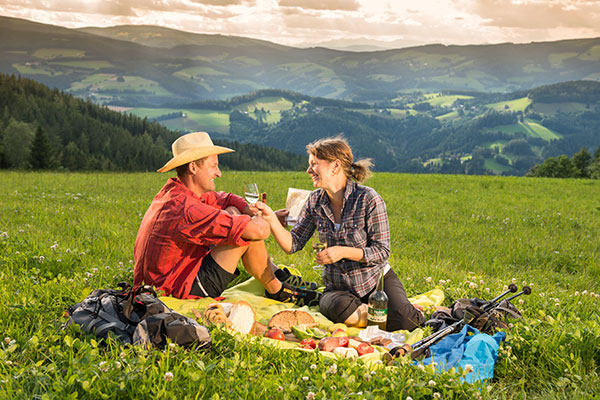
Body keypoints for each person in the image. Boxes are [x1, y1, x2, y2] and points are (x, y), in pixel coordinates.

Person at [256, 136, 425, 331]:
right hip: (338, 291)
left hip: (376, 282)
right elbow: (293, 244)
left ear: (335, 166)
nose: (308, 170)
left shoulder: (368, 199)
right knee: (338, 306)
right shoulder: (314, 201)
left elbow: (382, 251)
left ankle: (397, 311)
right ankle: (379, 314)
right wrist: (270, 218)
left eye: (314, 164)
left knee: (408, 322)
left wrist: (343, 251)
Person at [133, 131, 320, 306]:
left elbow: (228, 198)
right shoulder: (185, 208)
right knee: (245, 235)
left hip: (174, 277)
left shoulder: (180, 191)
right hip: (173, 291)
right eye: (213, 166)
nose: (219, 173)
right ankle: (279, 290)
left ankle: (278, 279)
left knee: (235, 215)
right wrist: (266, 218)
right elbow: (259, 231)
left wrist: (252, 213)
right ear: (193, 168)